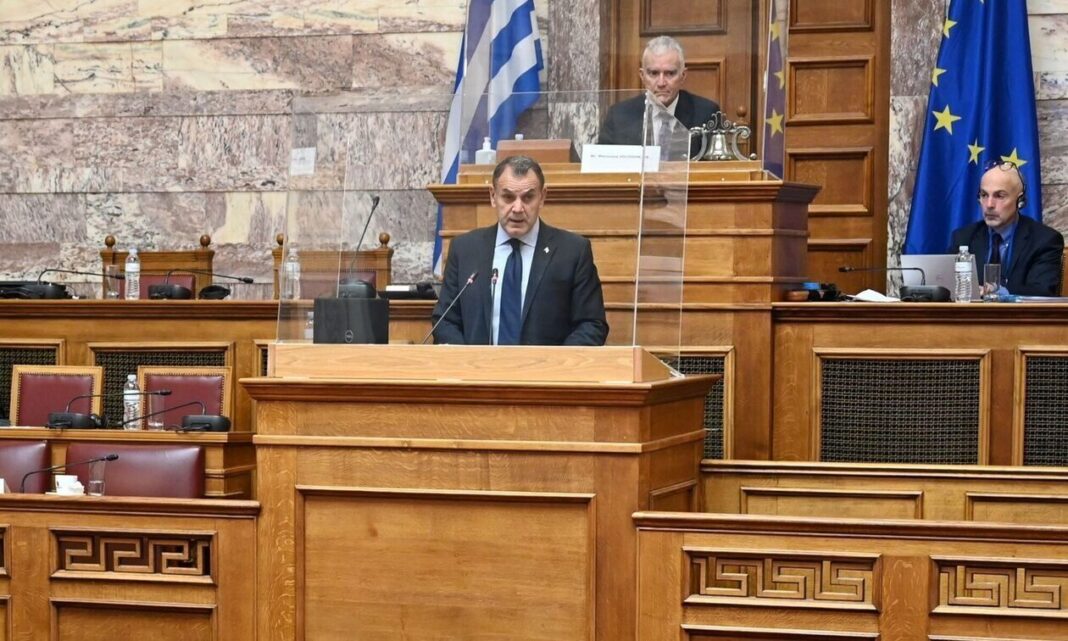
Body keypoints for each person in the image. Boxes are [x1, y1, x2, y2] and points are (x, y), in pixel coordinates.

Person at [432, 156, 609, 346]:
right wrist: (468, 361)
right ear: (493, 196)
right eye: (508, 197)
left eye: (528, 198)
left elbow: (591, 324)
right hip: (477, 365)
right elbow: (445, 321)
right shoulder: (464, 249)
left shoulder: (573, 252)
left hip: (547, 365)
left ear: (542, 197)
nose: (517, 208)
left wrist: (554, 362)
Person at [949, 161, 1064, 297]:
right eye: (984, 195)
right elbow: (947, 285)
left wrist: (997, 292)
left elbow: (1042, 291)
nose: (989, 205)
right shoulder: (963, 237)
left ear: (1020, 201)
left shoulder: (1044, 240)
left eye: (999, 196)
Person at [597, 35, 719, 157]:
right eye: (654, 73)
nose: (661, 83)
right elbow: (600, 163)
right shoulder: (619, 116)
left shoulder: (706, 114)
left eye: (670, 73)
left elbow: (717, 165)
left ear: (683, 76)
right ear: (642, 76)